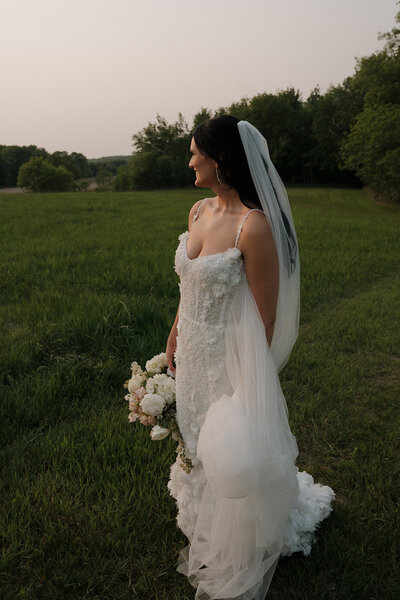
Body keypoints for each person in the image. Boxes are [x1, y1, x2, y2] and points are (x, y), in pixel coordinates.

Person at [166, 116, 335, 600]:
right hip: (192, 352)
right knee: (196, 433)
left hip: (228, 357)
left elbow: (265, 316)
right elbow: (189, 286)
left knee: (230, 442)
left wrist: (247, 383)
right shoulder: (198, 212)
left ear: (220, 160)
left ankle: (245, 527)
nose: (190, 159)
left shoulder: (253, 226)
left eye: (196, 151)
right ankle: (202, 515)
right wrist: (175, 334)